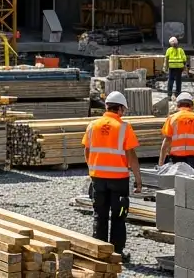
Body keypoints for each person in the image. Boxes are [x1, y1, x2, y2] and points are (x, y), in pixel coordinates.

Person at [82, 91, 143, 260]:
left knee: (99, 214)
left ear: (107, 106)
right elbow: (131, 155)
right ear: (121, 109)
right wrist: (138, 180)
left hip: (98, 178)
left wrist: (92, 169)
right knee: (118, 216)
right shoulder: (124, 127)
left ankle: (99, 252)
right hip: (119, 179)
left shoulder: (92, 125)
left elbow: (86, 150)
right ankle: (117, 252)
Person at [158, 93, 194, 172]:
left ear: (178, 106)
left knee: (179, 182)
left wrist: (161, 164)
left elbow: (166, 142)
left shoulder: (172, 119)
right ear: (192, 106)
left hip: (177, 160)